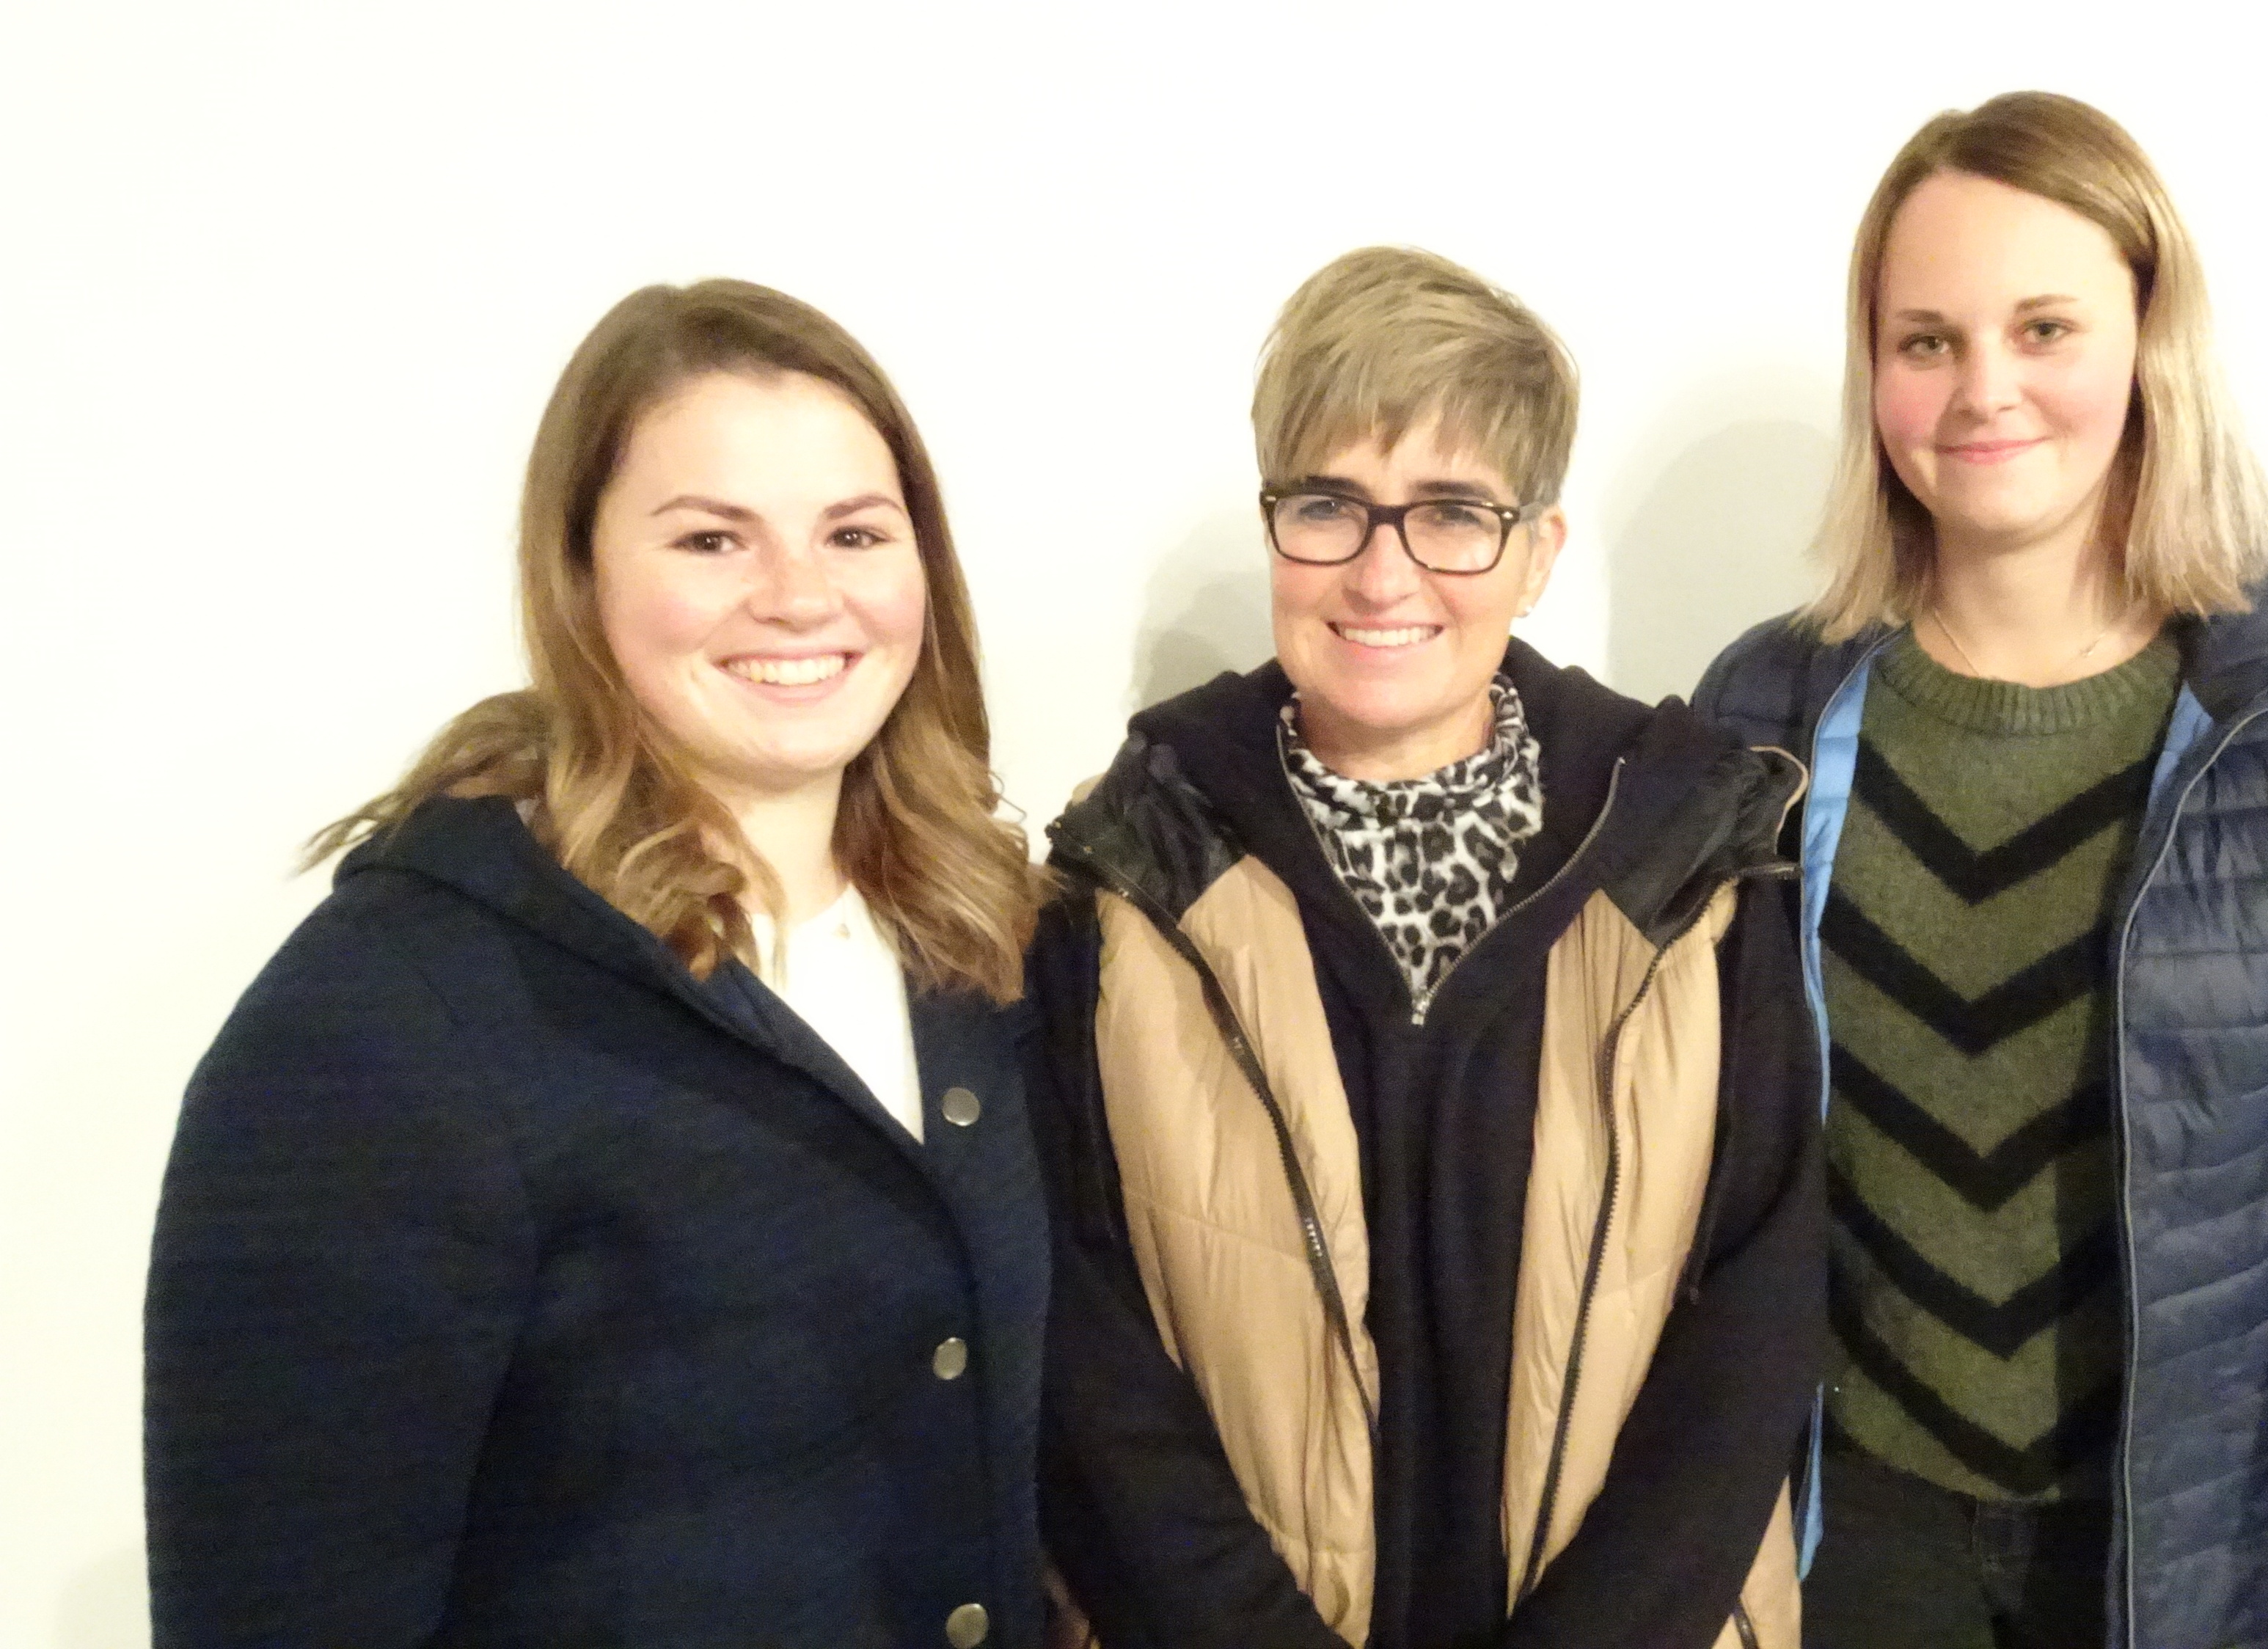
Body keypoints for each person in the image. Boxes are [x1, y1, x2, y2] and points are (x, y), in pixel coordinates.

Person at [1695, 93, 2268, 1649]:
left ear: (2150, 340)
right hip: (1845, 1552)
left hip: (2184, 1569)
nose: (1982, 388)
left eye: (2044, 327)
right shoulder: (1758, 717)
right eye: (1925, 339)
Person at [145, 279, 1047, 1649]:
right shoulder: (384, 1021)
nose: (801, 596)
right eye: (711, 539)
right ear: (580, 579)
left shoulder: (971, 946)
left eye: (855, 533)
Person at [1031, 246, 1822, 1649]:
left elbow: (1755, 1327)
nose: (1382, 572)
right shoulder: (1130, 873)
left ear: (1538, 554)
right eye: (1328, 506)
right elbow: (1085, 1354)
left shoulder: (1695, 859)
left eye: (1454, 512)